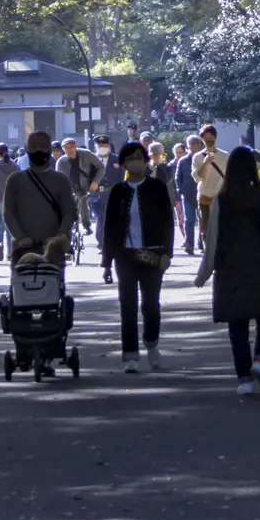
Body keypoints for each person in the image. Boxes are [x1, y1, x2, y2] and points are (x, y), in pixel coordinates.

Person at [196, 145, 260, 395]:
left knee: (237, 324)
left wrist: (204, 272)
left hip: (230, 270)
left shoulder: (221, 201)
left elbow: (213, 238)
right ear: (253, 169)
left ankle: (244, 380)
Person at [98, 140, 176, 372]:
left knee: (151, 304)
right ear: (123, 163)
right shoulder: (118, 192)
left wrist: (166, 253)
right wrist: (106, 263)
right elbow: (109, 229)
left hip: (152, 255)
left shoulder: (157, 188)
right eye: (130, 158)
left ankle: (151, 344)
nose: (135, 162)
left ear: (146, 160)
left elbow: (168, 223)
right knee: (128, 305)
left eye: (139, 158)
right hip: (125, 256)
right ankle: (130, 354)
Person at [2, 128, 81, 267]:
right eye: (33, 146)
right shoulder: (15, 180)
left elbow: (70, 211)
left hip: (53, 248)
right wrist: (20, 237)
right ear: (27, 149)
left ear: (50, 149)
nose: (38, 150)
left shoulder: (61, 180)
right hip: (23, 248)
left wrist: (61, 235)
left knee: (54, 285)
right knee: (21, 285)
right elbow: (8, 212)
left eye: (43, 146)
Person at [190, 124, 226, 257]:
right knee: (204, 229)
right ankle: (208, 253)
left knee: (220, 227)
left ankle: (219, 253)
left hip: (219, 197)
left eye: (211, 137)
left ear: (215, 138)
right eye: (206, 138)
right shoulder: (197, 157)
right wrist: (205, 163)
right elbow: (196, 178)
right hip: (204, 197)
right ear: (202, 140)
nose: (209, 140)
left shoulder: (224, 156)